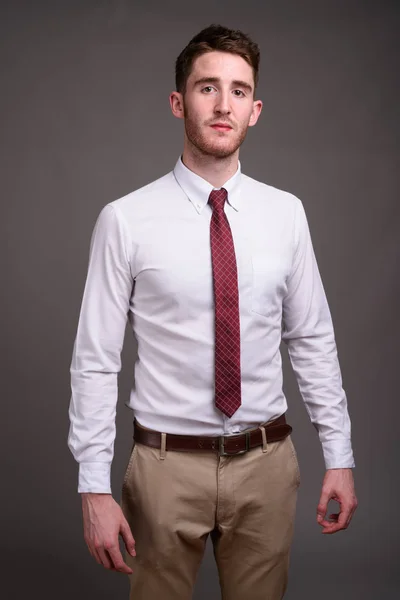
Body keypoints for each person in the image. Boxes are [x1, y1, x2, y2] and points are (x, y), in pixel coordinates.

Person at [68, 23, 358, 600]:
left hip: (267, 464)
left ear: (255, 110)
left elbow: (312, 340)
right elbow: (95, 360)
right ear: (179, 102)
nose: (223, 104)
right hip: (164, 468)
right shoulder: (125, 220)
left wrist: (340, 455)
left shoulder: (287, 214)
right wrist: (93, 487)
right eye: (207, 88)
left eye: (239, 90)